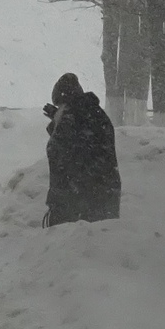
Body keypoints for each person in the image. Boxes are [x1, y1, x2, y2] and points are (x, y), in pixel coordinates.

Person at [42, 72, 121, 226]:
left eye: (60, 106)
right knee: (102, 244)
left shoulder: (71, 119)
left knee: (76, 246)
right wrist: (58, 119)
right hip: (104, 195)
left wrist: (56, 204)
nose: (58, 109)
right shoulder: (94, 113)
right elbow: (83, 142)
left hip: (79, 200)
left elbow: (60, 153)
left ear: (66, 103)